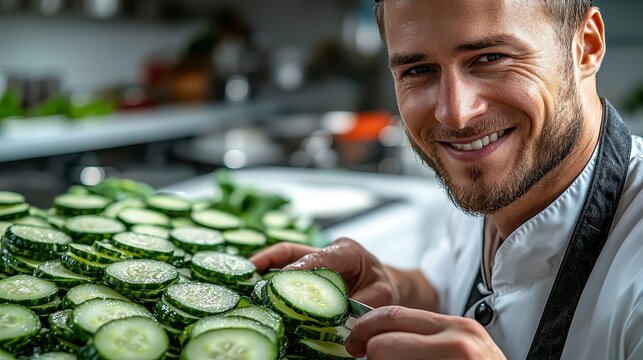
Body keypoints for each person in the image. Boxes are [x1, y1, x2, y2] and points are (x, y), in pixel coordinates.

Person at [251, 0, 643, 359]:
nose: (455, 114)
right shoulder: (489, 177)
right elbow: (449, 286)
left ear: (586, 47)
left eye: (490, 57)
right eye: (418, 70)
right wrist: (394, 286)